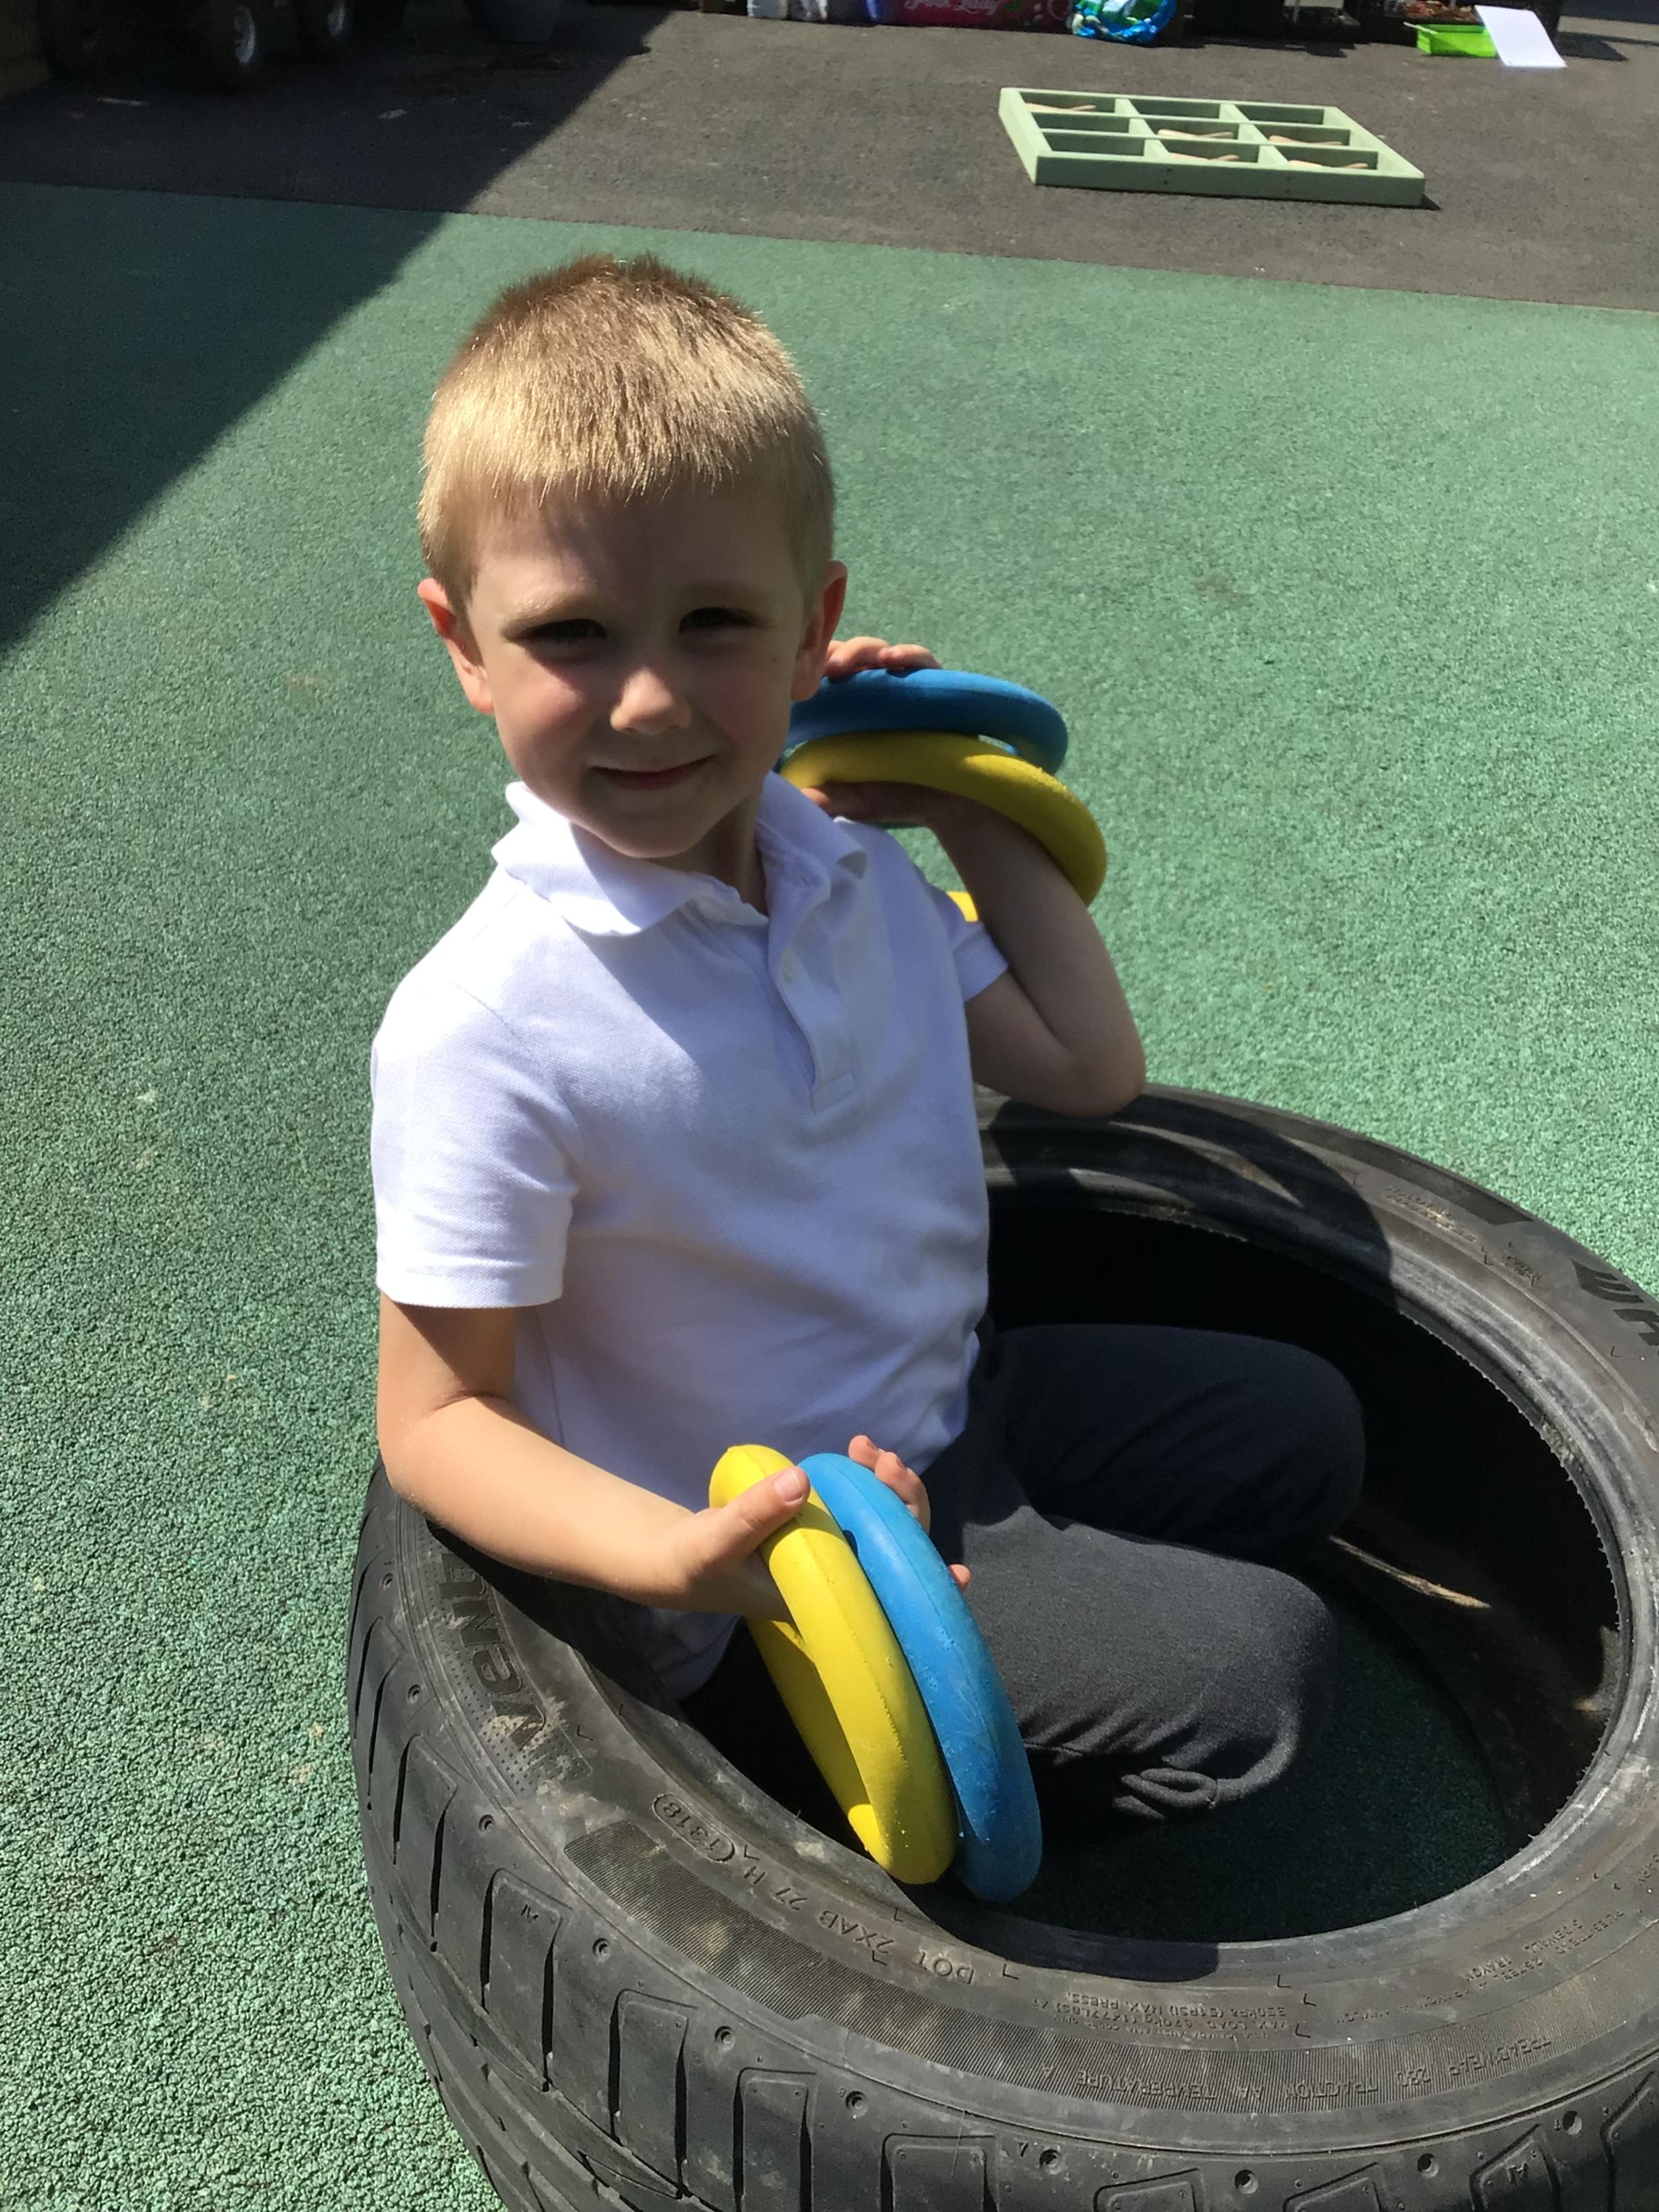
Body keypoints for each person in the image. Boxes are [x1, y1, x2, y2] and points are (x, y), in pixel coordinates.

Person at [371, 252, 1364, 1844]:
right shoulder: (487, 1024)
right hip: (786, 1572)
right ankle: (812, 1790)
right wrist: (679, 1562)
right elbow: (433, 1424)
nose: (649, 700)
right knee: (1267, 1676)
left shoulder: (849, 875)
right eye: (570, 634)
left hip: (953, 1404)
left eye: (716, 623)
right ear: (465, 646)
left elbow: (1088, 1068)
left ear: (815, 625)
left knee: (1313, 1425)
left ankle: (1039, 1587)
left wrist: (956, 791)